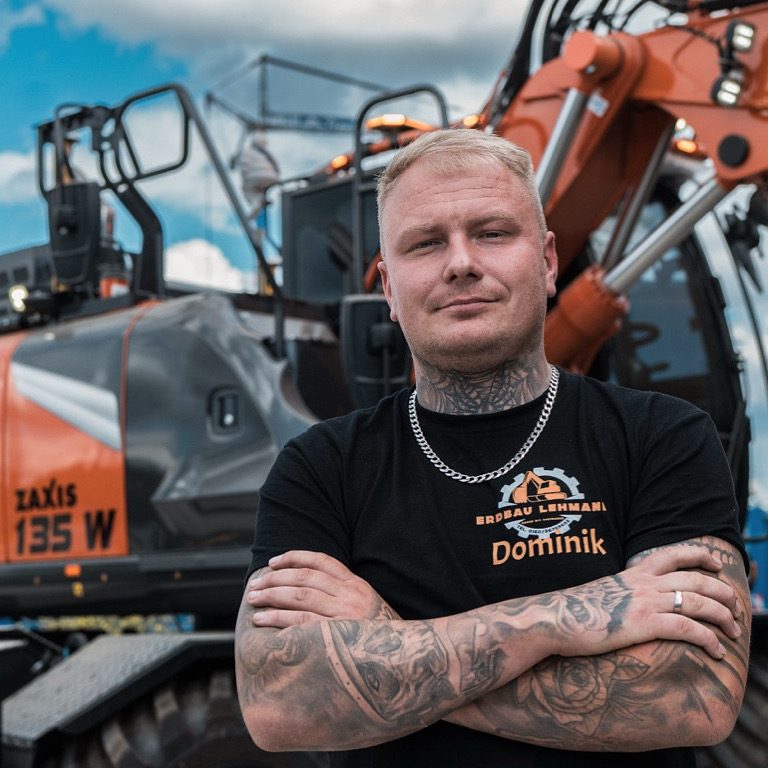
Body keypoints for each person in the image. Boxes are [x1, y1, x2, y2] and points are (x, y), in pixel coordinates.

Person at [235, 129, 751, 767]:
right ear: (388, 287)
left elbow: (696, 695)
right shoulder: (319, 468)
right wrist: (564, 617)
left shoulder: (662, 437)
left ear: (548, 262)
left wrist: (386, 642)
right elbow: (279, 703)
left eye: (492, 233)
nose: (460, 263)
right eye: (426, 243)